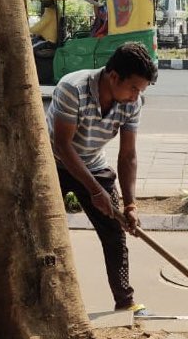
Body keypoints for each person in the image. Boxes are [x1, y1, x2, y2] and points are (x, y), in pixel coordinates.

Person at [46, 42, 158, 313]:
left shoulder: (132, 103)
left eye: (140, 91)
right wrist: (95, 191)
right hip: (53, 165)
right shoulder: (73, 89)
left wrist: (130, 205)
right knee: (42, 235)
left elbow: (128, 155)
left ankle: (125, 303)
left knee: (115, 235)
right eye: (133, 88)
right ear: (113, 76)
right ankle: (42, 306)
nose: (135, 96)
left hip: (94, 164)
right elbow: (63, 146)